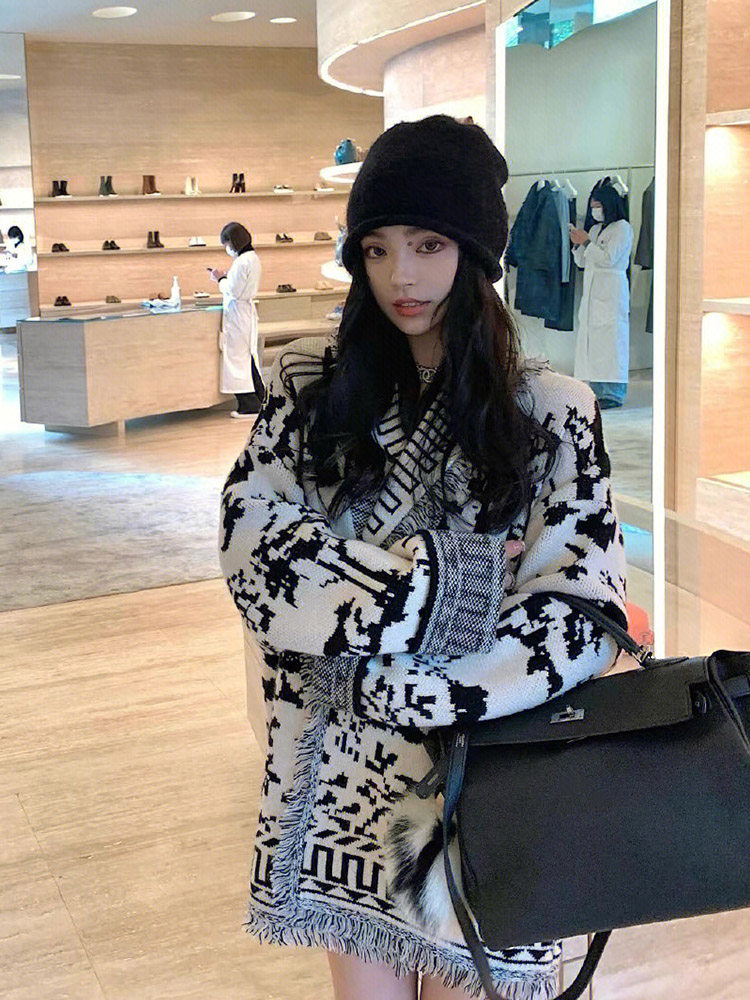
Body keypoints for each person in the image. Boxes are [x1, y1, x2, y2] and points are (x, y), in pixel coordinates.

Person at [219, 116, 627, 1000]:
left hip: (478, 783)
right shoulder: (308, 391)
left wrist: (405, 681)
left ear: (475, 255)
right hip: (337, 787)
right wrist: (451, 582)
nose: (401, 276)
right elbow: (258, 559)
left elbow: (582, 617)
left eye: (429, 245)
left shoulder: (551, 413)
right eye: (377, 248)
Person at [569, 184, 634, 408]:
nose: (594, 210)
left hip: (611, 292)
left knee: (612, 343)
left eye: (598, 205)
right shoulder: (596, 229)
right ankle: (596, 391)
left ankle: (614, 393)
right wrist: (577, 244)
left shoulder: (622, 228)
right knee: (595, 343)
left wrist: (586, 242)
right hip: (593, 294)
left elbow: (609, 259)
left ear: (608, 204)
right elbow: (582, 261)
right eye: (592, 206)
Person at [210, 221, 264, 418]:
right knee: (247, 358)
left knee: (237, 360)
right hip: (244, 313)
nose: (227, 248)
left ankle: (248, 404)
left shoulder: (242, 262)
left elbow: (233, 290)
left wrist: (220, 279)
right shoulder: (252, 258)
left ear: (233, 242)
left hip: (238, 315)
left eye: (226, 244)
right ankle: (260, 398)